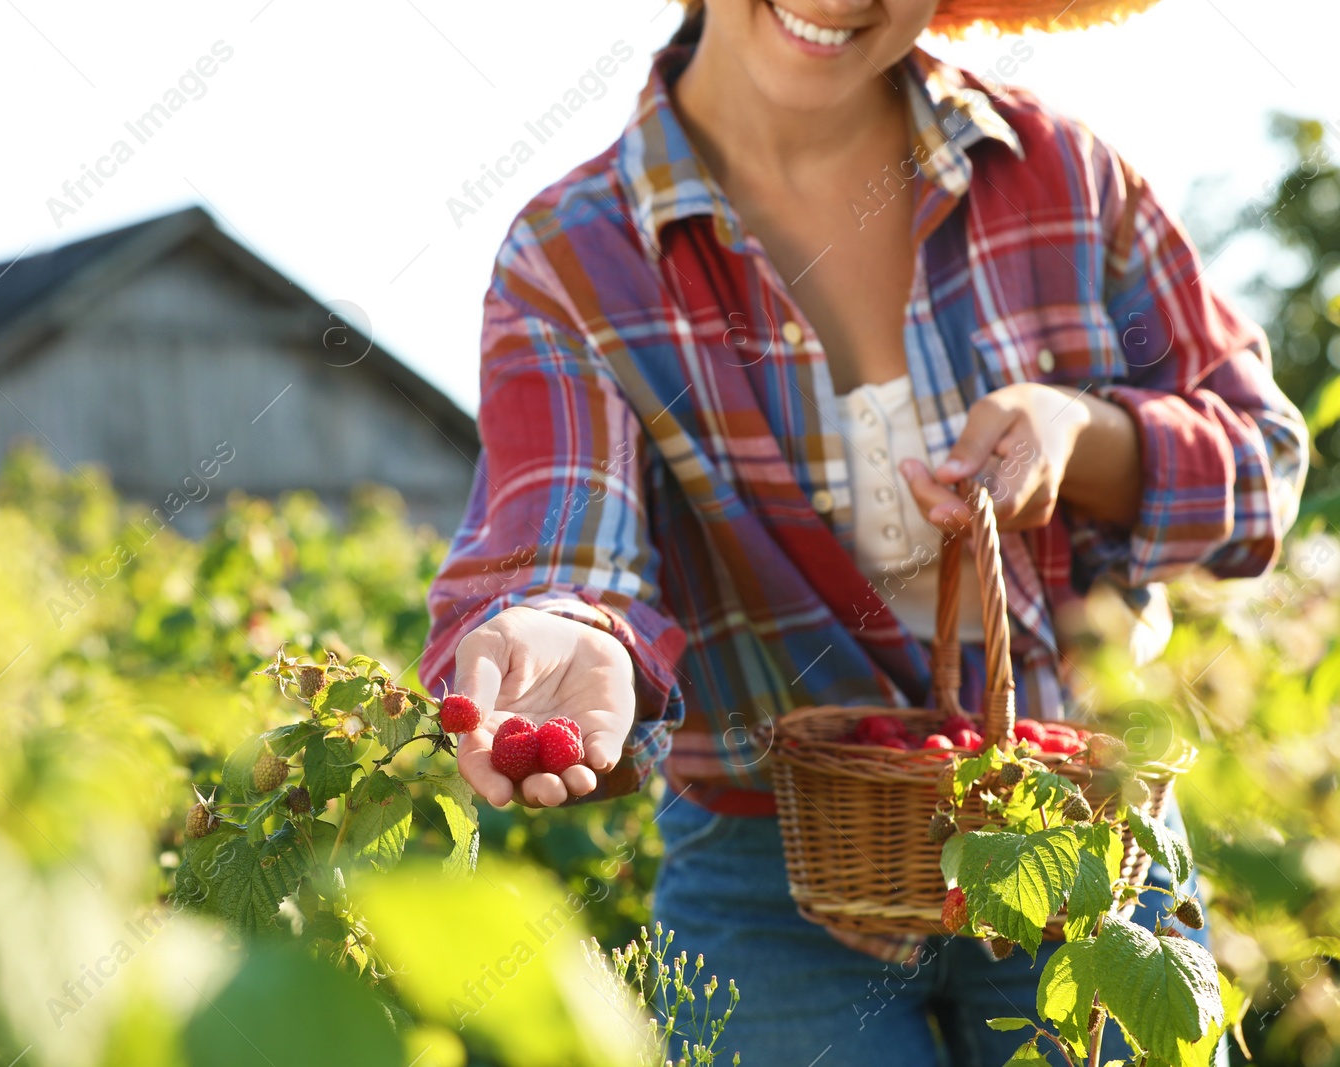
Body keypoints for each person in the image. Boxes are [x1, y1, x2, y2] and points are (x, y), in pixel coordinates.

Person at [423, 0, 1308, 1062]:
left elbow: (1263, 470)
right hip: (768, 869)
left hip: (1072, 837)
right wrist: (571, 636)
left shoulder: (1062, 179)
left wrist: (1087, 432)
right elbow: (568, 527)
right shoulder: (572, 260)